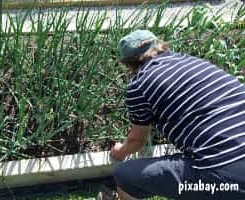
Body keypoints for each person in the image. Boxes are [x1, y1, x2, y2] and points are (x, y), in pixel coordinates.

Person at [99, 30, 245, 200]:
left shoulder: (139, 84)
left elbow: (137, 141)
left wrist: (119, 153)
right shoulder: (194, 62)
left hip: (225, 177)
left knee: (125, 176)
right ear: (160, 45)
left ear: (129, 64)